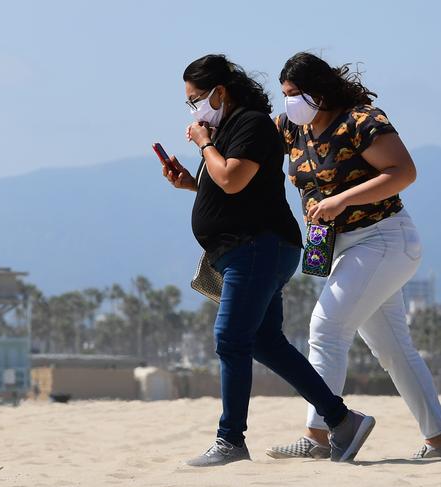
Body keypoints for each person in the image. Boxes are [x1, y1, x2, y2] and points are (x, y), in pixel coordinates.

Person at [160, 54, 375, 467]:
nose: (194, 111)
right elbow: (227, 187)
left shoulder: (251, 124)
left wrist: (203, 142)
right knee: (263, 341)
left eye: (196, 100)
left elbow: (233, 178)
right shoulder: (228, 131)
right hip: (249, 248)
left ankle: (230, 440)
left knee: (230, 339)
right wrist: (190, 183)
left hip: (257, 247)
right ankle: (342, 420)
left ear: (220, 92)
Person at [267, 52, 441, 461]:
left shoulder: (362, 121)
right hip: (346, 247)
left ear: (320, 91)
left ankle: (319, 436)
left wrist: (341, 199)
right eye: (285, 95)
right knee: (394, 348)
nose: (289, 102)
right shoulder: (293, 127)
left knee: (326, 328)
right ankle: (438, 439)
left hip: (384, 239)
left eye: (295, 94)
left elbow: (403, 171)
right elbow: (253, 159)